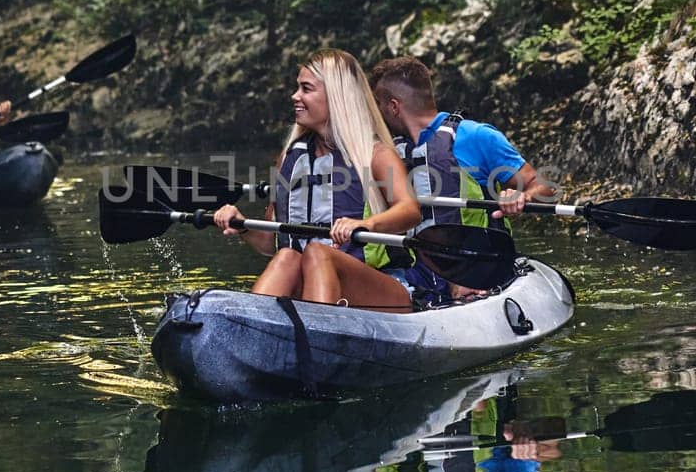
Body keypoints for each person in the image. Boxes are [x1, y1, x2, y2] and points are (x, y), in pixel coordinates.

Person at [211, 48, 422, 311]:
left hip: (382, 289)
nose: (295, 96)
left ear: (335, 97)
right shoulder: (290, 158)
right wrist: (242, 225)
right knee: (287, 255)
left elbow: (410, 211)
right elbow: (270, 243)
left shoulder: (376, 154)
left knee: (318, 253)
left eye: (306, 89)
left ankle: (316, 333)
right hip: (316, 287)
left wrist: (366, 224)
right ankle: (248, 327)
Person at [367, 56, 558, 299]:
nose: (374, 115)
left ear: (393, 107)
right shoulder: (387, 151)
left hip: (474, 266)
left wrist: (522, 195)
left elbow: (544, 187)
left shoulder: (475, 136)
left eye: (377, 105)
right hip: (418, 270)